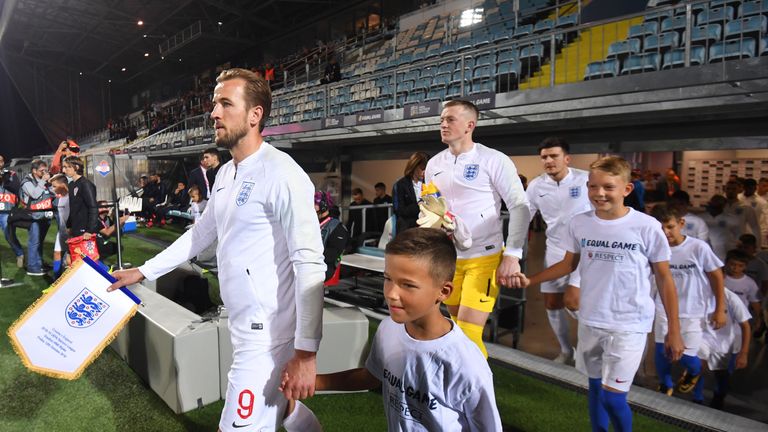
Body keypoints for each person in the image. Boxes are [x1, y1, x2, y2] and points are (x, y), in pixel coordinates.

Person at [107, 68, 325, 432]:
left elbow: (310, 264)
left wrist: (306, 351)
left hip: (268, 332)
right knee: (280, 411)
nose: (213, 113)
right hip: (241, 323)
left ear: (255, 115)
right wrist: (144, 271)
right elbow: (198, 236)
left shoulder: (283, 174)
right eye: (213, 104)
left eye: (225, 103)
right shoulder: (226, 173)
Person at [512, 156, 684, 432]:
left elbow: (665, 279)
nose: (599, 193)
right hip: (590, 320)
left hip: (628, 326)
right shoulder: (580, 223)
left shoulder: (646, 227)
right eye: (593, 187)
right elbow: (568, 265)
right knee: (594, 389)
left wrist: (674, 329)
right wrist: (530, 279)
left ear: (626, 190)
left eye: (608, 187)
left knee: (614, 399)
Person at [293, 228, 503, 431]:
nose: (392, 293)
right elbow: (372, 376)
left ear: (444, 291)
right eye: (388, 279)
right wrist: (314, 382)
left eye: (408, 285)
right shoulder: (388, 329)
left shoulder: (466, 364)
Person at [424, 99, 529, 358]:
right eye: (442, 120)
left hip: (484, 257)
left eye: (450, 119)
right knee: (456, 331)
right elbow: (430, 207)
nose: (443, 124)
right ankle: (458, 387)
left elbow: (520, 206)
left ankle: (474, 394)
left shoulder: (493, 160)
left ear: (470, 125)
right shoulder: (434, 164)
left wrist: (513, 255)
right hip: (448, 258)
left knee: (469, 335)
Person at [525, 137, 592, 364]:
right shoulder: (536, 186)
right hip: (554, 251)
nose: (549, 160)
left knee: (578, 303)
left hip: (585, 254)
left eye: (554, 156)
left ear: (567, 158)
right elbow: (523, 217)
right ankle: (566, 351)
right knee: (552, 304)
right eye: (544, 157)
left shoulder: (586, 180)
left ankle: (589, 352)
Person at [649, 204, 726, 398]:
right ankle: (665, 384)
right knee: (661, 350)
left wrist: (720, 308)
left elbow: (716, 276)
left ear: (681, 224)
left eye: (669, 226)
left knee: (688, 357)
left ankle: (693, 372)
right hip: (663, 308)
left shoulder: (698, 247)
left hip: (693, 311)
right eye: (660, 228)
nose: (665, 232)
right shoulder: (654, 249)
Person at [692, 288, 751, 409]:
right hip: (703, 337)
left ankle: (718, 397)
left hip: (723, 344)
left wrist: (744, 353)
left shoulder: (731, 298)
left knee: (721, 375)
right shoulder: (699, 290)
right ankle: (697, 397)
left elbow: (745, 326)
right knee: (697, 365)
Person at [20, 159, 56, 276]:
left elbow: (53, 193)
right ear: (34, 170)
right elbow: (34, 194)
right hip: (33, 216)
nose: (45, 172)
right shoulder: (26, 182)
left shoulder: (43, 180)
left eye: (46, 170)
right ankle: (32, 267)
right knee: (34, 241)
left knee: (40, 241)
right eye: (42, 170)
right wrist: (43, 181)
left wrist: (50, 183)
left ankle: (39, 263)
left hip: (45, 214)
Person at [723, 249, 763, 333]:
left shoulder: (750, 283)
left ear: (745, 266)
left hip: (739, 324)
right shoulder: (720, 279)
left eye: (740, 265)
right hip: (721, 320)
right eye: (732, 264)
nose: (735, 268)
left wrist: (759, 319)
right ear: (726, 263)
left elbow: (755, 303)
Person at [62, 156, 100, 242]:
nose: (64, 170)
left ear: (77, 167)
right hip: (75, 227)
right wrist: (69, 225)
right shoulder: (71, 184)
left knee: (83, 255)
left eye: (67, 167)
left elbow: (93, 207)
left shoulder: (85, 184)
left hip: (84, 229)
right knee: (73, 255)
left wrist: (89, 230)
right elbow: (73, 207)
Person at [392, 152, 429, 235]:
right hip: (408, 226)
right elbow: (399, 210)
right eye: (422, 168)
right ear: (413, 166)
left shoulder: (429, 182)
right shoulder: (400, 184)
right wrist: (419, 204)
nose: (425, 172)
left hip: (427, 224)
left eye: (427, 169)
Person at [315, 191, 348, 282]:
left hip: (325, 267)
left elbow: (332, 254)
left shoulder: (337, 228)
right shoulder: (313, 223)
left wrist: (311, 256)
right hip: (311, 263)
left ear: (323, 206)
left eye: (314, 204)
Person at [0, 153, 24, 267]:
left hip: (7, 210)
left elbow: (16, 188)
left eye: (0, 160)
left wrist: (5, 180)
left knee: (8, 235)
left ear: (3, 163)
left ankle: (19, 253)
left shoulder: (11, 174)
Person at [49, 174, 70, 276]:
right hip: (62, 231)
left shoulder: (72, 197)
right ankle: (56, 280)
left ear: (63, 185)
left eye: (54, 186)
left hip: (71, 232)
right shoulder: (59, 198)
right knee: (57, 253)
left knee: (70, 259)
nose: (53, 189)